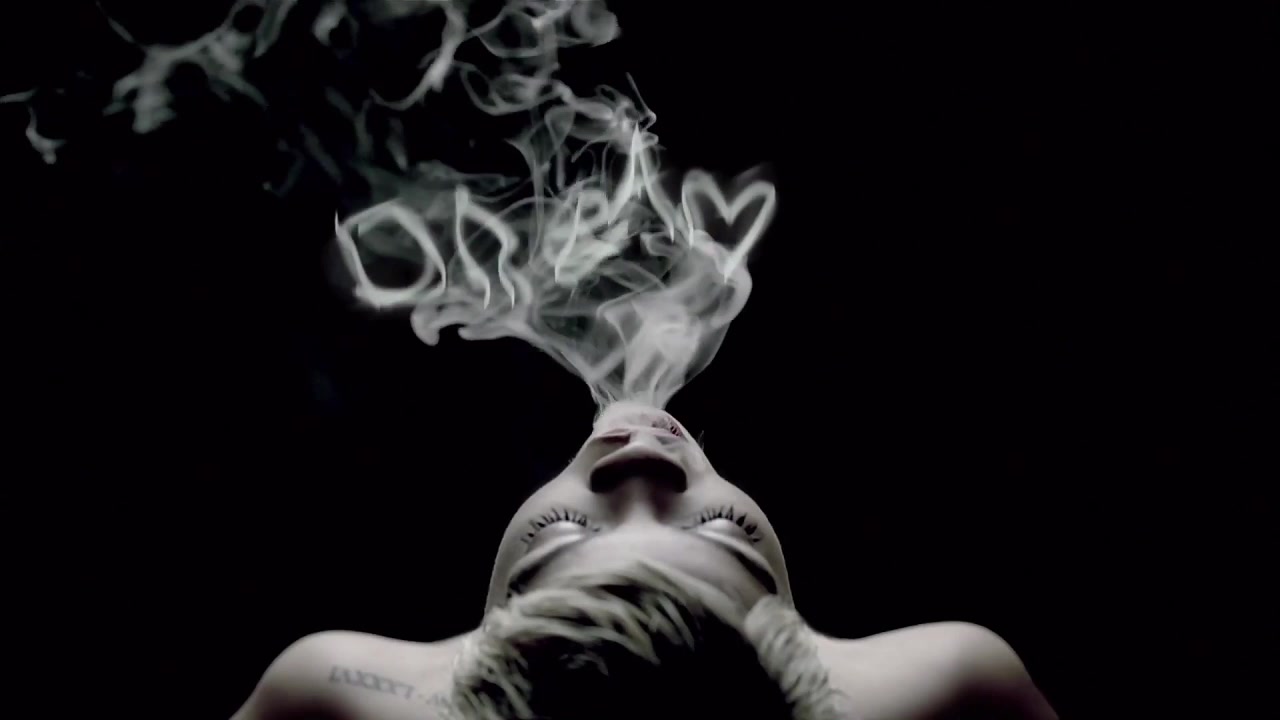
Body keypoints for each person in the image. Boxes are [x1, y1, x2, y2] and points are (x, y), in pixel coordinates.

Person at [231, 402, 1059, 720]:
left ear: (483, 644)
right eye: (724, 532)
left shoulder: (331, 691)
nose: (641, 462)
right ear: (797, 645)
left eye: (563, 534)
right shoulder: (955, 683)